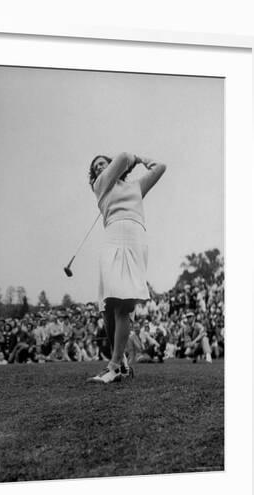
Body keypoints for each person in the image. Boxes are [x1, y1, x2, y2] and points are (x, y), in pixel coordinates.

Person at [87, 152, 166, 383]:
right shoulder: (100, 184)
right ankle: (120, 362)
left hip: (134, 237)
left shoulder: (136, 187)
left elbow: (160, 166)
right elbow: (122, 157)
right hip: (112, 235)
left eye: (103, 163)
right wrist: (131, 158)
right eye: (96, 166)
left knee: (123, 303)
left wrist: (142, 159)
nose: (101, 167)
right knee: (108, 304)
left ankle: (114, 366)